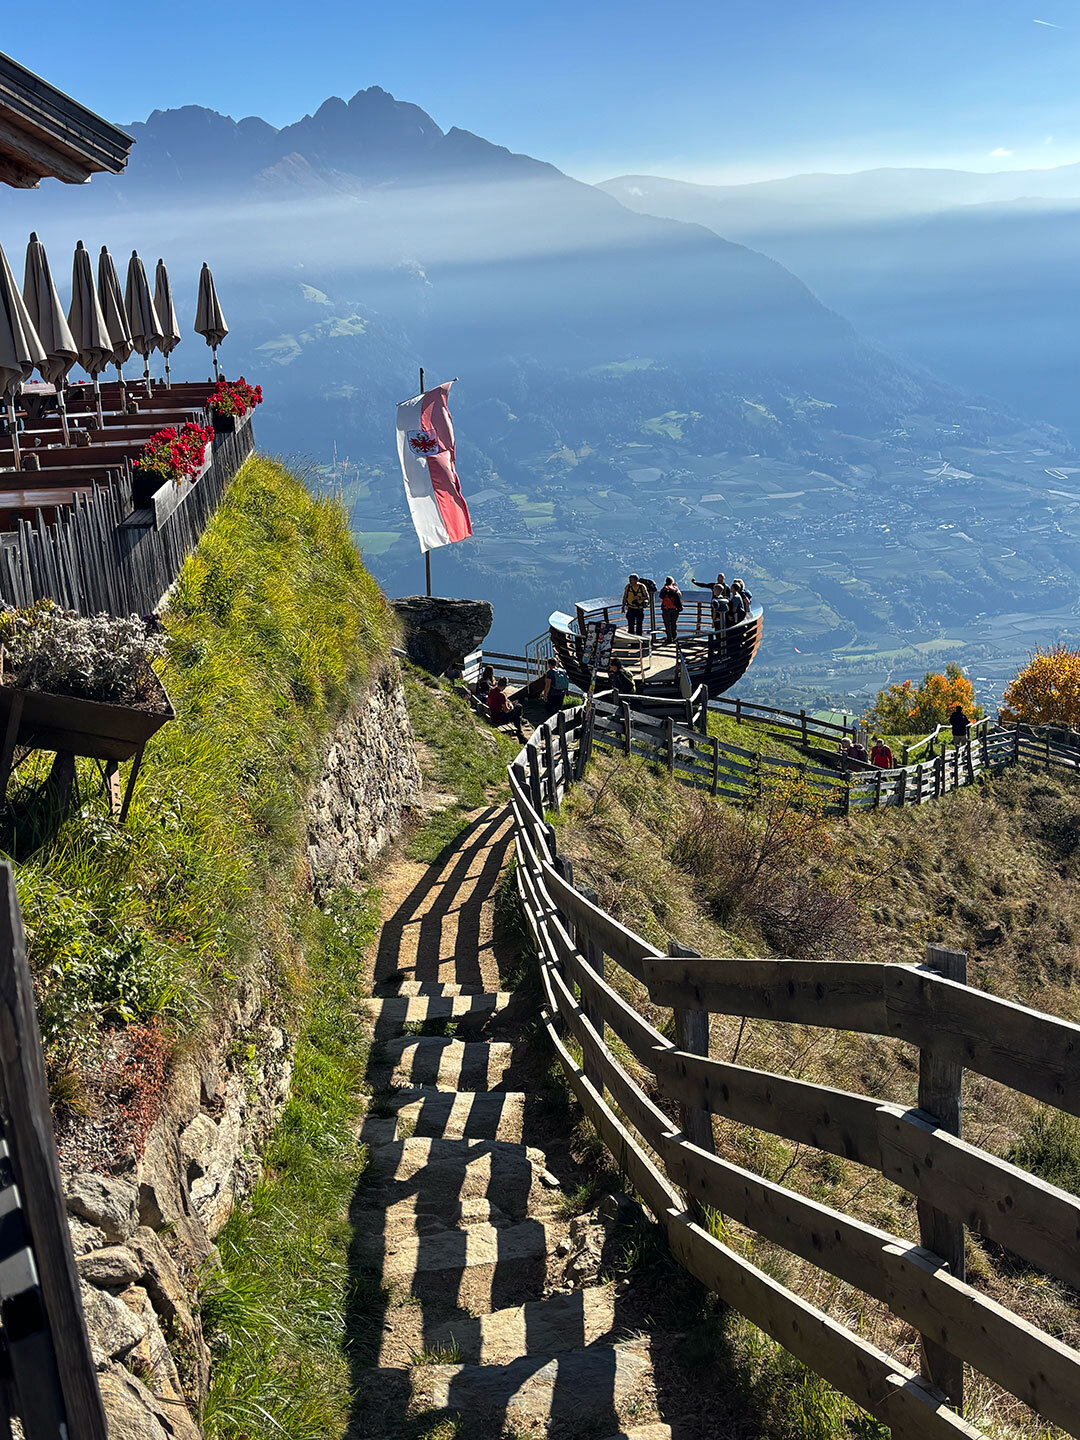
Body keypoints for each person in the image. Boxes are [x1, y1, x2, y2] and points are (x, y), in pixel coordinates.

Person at [659, 575, 682, 644]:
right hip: (675, 609)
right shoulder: (675, 589)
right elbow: (680, 596)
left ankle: (669, 638)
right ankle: (674, 637)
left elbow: (661, 596)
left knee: (667, 624)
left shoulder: (665, 588)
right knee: (673, 623)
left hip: (666, 609)